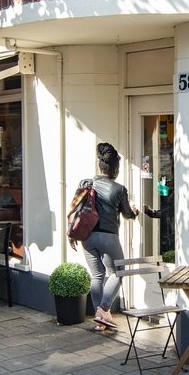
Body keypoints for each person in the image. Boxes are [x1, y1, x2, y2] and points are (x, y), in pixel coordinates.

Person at [78, 142, 138, 332]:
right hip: (108, 236)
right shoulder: (119, 189)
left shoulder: (86, 183)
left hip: (87, 236)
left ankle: (101, 319)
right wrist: (135, 211)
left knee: (97, 275)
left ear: (100, 166)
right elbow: (128, 214)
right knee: (118, 273)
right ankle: (103, 309)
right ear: (115, 169)